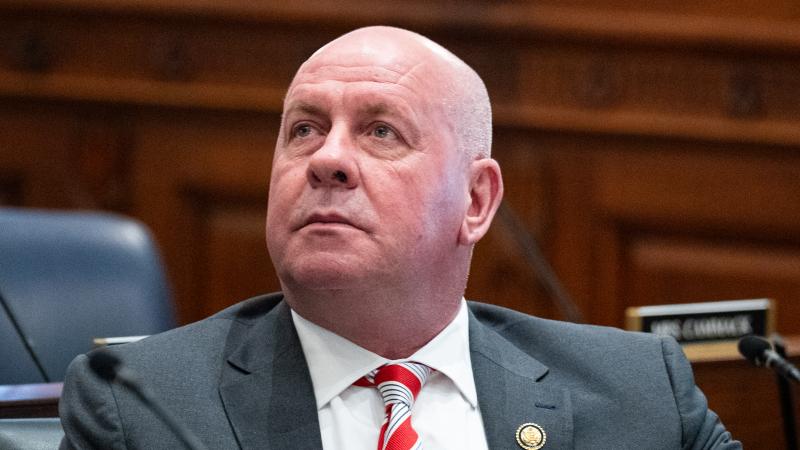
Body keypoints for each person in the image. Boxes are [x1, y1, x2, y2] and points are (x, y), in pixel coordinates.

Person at [59, 26, 741, 449]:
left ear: (476, 202)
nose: (327, 158)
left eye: (381, 131)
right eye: (303, 129)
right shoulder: (144, 409)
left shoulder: (638, 396)